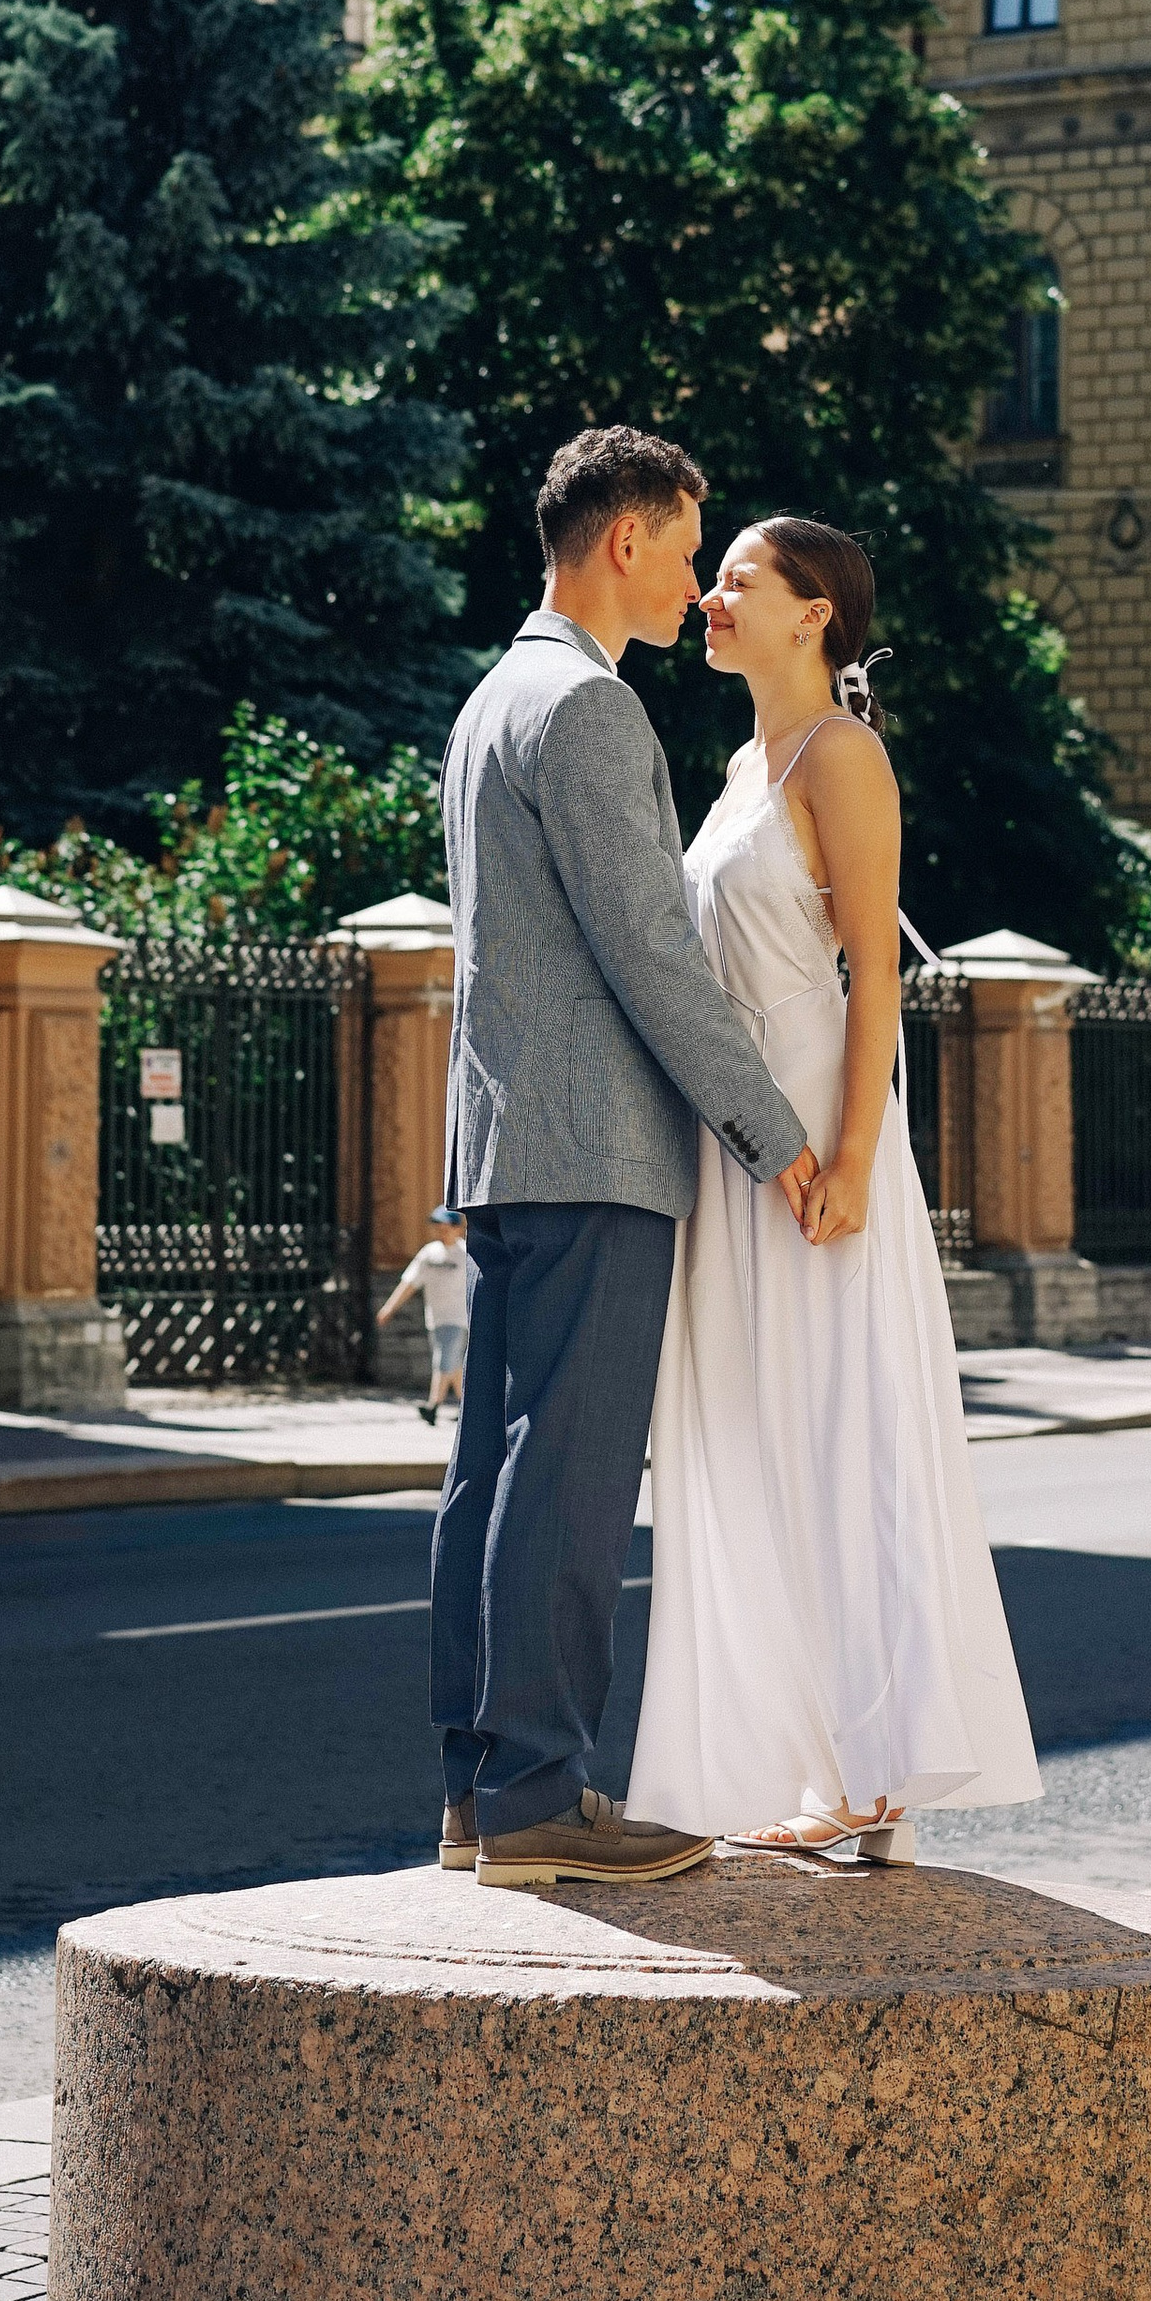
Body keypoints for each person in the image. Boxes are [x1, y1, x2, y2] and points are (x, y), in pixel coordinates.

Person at [434, 426, 818, 1892]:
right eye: (684, 550)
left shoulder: (491, 702)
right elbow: (651, 956)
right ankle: (542, 1795)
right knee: (574, 1481)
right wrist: (773, 1138)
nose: (693, 589)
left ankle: (476, 1792)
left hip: (513, 1143)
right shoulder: (590, 712)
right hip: (596, 1151)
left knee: (493, 1474)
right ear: (624, 541)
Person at [628, 518, 1041, 1866]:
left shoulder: (842, 757)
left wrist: (856, 1158)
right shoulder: (744, 762)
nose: (710, 594)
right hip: (739, 1141)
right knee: (758, 1438)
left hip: (819, 1126)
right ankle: (825, 1759)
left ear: (812, 617)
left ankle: (876, 1768)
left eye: (737, 578)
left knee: (838, 1429)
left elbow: (879, 974)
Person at [376, 1205, 468, 1425]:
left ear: (458, 1228)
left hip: (459, 1318)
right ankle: (467, 1408)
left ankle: (432, 1406)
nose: (442, 1231)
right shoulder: (429, 1253)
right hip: (435, 1318)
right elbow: (410, 1282)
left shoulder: (466, 1253)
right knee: (452, 1363)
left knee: (443, 1360)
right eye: (439, 1226)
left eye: (446, 1226)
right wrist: (389, 1307)